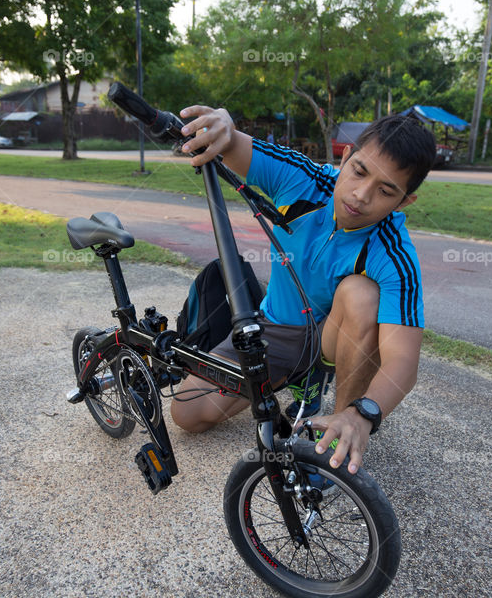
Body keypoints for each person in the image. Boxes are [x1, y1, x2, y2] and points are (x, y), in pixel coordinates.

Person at [169, 104, 436, 476]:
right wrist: (224, 127)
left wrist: (363, 413)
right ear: (346, 156)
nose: (360, 195)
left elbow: (402, 362)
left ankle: (334, 438)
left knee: (361, 295)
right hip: (273, 327)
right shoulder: (305, 180)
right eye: (359, 171)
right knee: (186, 413)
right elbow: (232, 143)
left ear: (404, 201)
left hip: (330, 338)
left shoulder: (394, 252)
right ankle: (293, 381)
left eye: (385, 190)